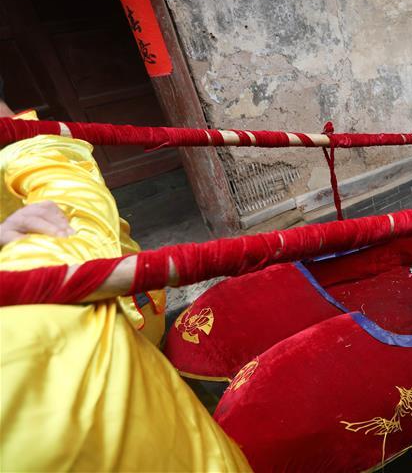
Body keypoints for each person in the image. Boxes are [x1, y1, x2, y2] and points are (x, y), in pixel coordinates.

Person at [0, 108, 250, 470]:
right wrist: (31, 140)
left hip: (119, 321)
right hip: (82, 351)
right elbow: (76, 227)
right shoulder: (43, 254)